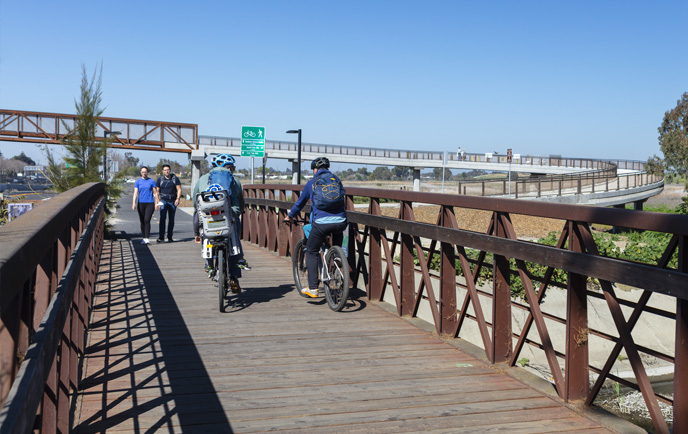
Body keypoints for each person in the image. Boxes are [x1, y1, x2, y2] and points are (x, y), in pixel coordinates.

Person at [284, 157, 347, 298]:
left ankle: (313, 288)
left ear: (315, 169)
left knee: (311, 251)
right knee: (337, 229)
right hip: (341, 221)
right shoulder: (336, 180)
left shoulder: (311, 183)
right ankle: (337, 256)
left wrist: (290, 216)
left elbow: (299, 204)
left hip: (321, 224)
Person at [192, 154, 243, 292]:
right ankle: (234, 275)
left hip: (208, 216)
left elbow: (194, 198)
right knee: (235, 240)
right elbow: (240, 202)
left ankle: (208, 264)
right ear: (230, 167)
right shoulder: (234, 180)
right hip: (228, 216)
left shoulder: (203, 179)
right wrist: (239, 211)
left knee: (206, 232)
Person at [132, 166, 159, 244]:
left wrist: (157, 203)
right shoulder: (138, 182)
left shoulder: (151, 181)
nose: (144, 173)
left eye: (145, 172)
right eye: (143, 172)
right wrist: (134, 203)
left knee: (147, 220)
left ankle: (147, 238)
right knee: (142, 221)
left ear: (147, 172)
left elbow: (155, 193)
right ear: (140, 172)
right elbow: (135, 193)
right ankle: (144, 237)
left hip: (150, 203)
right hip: (141, 203)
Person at [156, 164, 182, 243]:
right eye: (165, 170)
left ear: (170, 170)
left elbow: (179, 189)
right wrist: (158, 202)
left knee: (171, 219)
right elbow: (157, 192)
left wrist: (178, 199)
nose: (167, 171)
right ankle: (161, 237)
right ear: (162, 171)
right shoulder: (160, 179)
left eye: (168, 170)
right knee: (162, 218)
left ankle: (170, 236)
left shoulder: (175, 179)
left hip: (172, 201)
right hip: (163, 201)